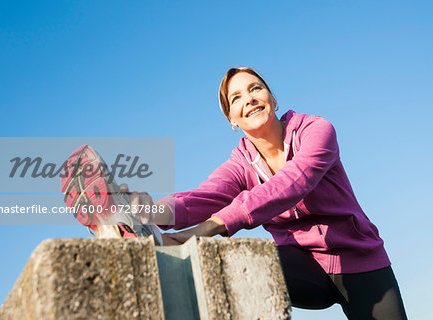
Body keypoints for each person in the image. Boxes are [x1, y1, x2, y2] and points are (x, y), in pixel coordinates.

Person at [63, 67, 408, 319]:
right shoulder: (242, 163)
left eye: (256, 89)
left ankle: (159, 240)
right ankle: (143, 237)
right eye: (237, 98)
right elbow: (204, 196)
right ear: (232, 119)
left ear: (272, 98)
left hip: (363, 266)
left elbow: (293, 183)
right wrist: (151, 213)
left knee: (209, 239)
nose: (250, 99)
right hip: (302, 268)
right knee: (234, 260)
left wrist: (210, 228)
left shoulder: (317, 130)